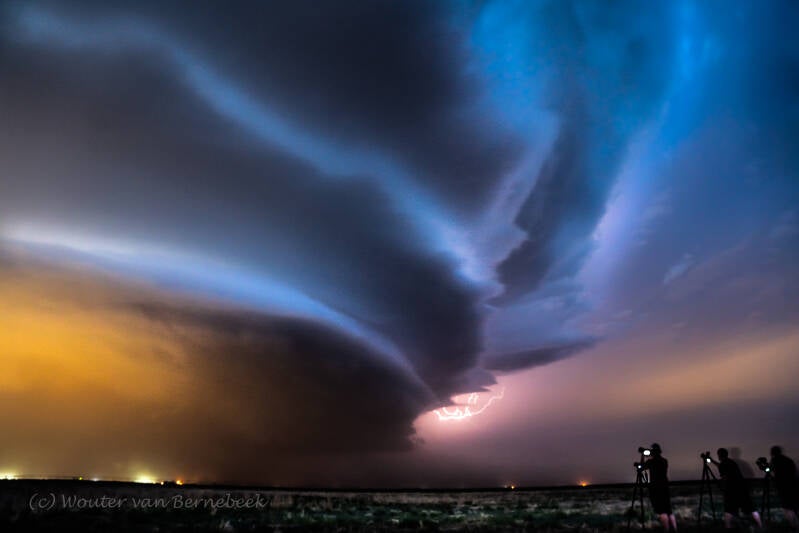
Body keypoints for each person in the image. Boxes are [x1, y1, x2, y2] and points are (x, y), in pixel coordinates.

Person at [708, 448, 762, 529]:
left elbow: (725, 477)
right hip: (742, 490)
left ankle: (728, 528)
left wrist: (723, 488)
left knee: (728, 512)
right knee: (751, 509)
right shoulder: (731, 462)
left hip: (732, 491)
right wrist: (712, 461)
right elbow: (720, 466)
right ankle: (760, 525)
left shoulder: (724, 464)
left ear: (719, 455)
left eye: (718, 455)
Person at [642, 443, 678, 531]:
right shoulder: (664, 461)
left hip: (655, 488)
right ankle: (675, 529)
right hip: (665, 487)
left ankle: (667, 529)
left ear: (653, 452)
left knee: (661, 511)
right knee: (668, 510)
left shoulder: (651, 462)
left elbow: (641, 467)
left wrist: (643, 456)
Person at [770, 446, 799, 529]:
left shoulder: (775, 460)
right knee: (794, 507)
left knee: (787, 507)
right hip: (794, 486)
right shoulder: (788, 460)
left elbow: (772, 473)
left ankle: (793, 526)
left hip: (784, 488)